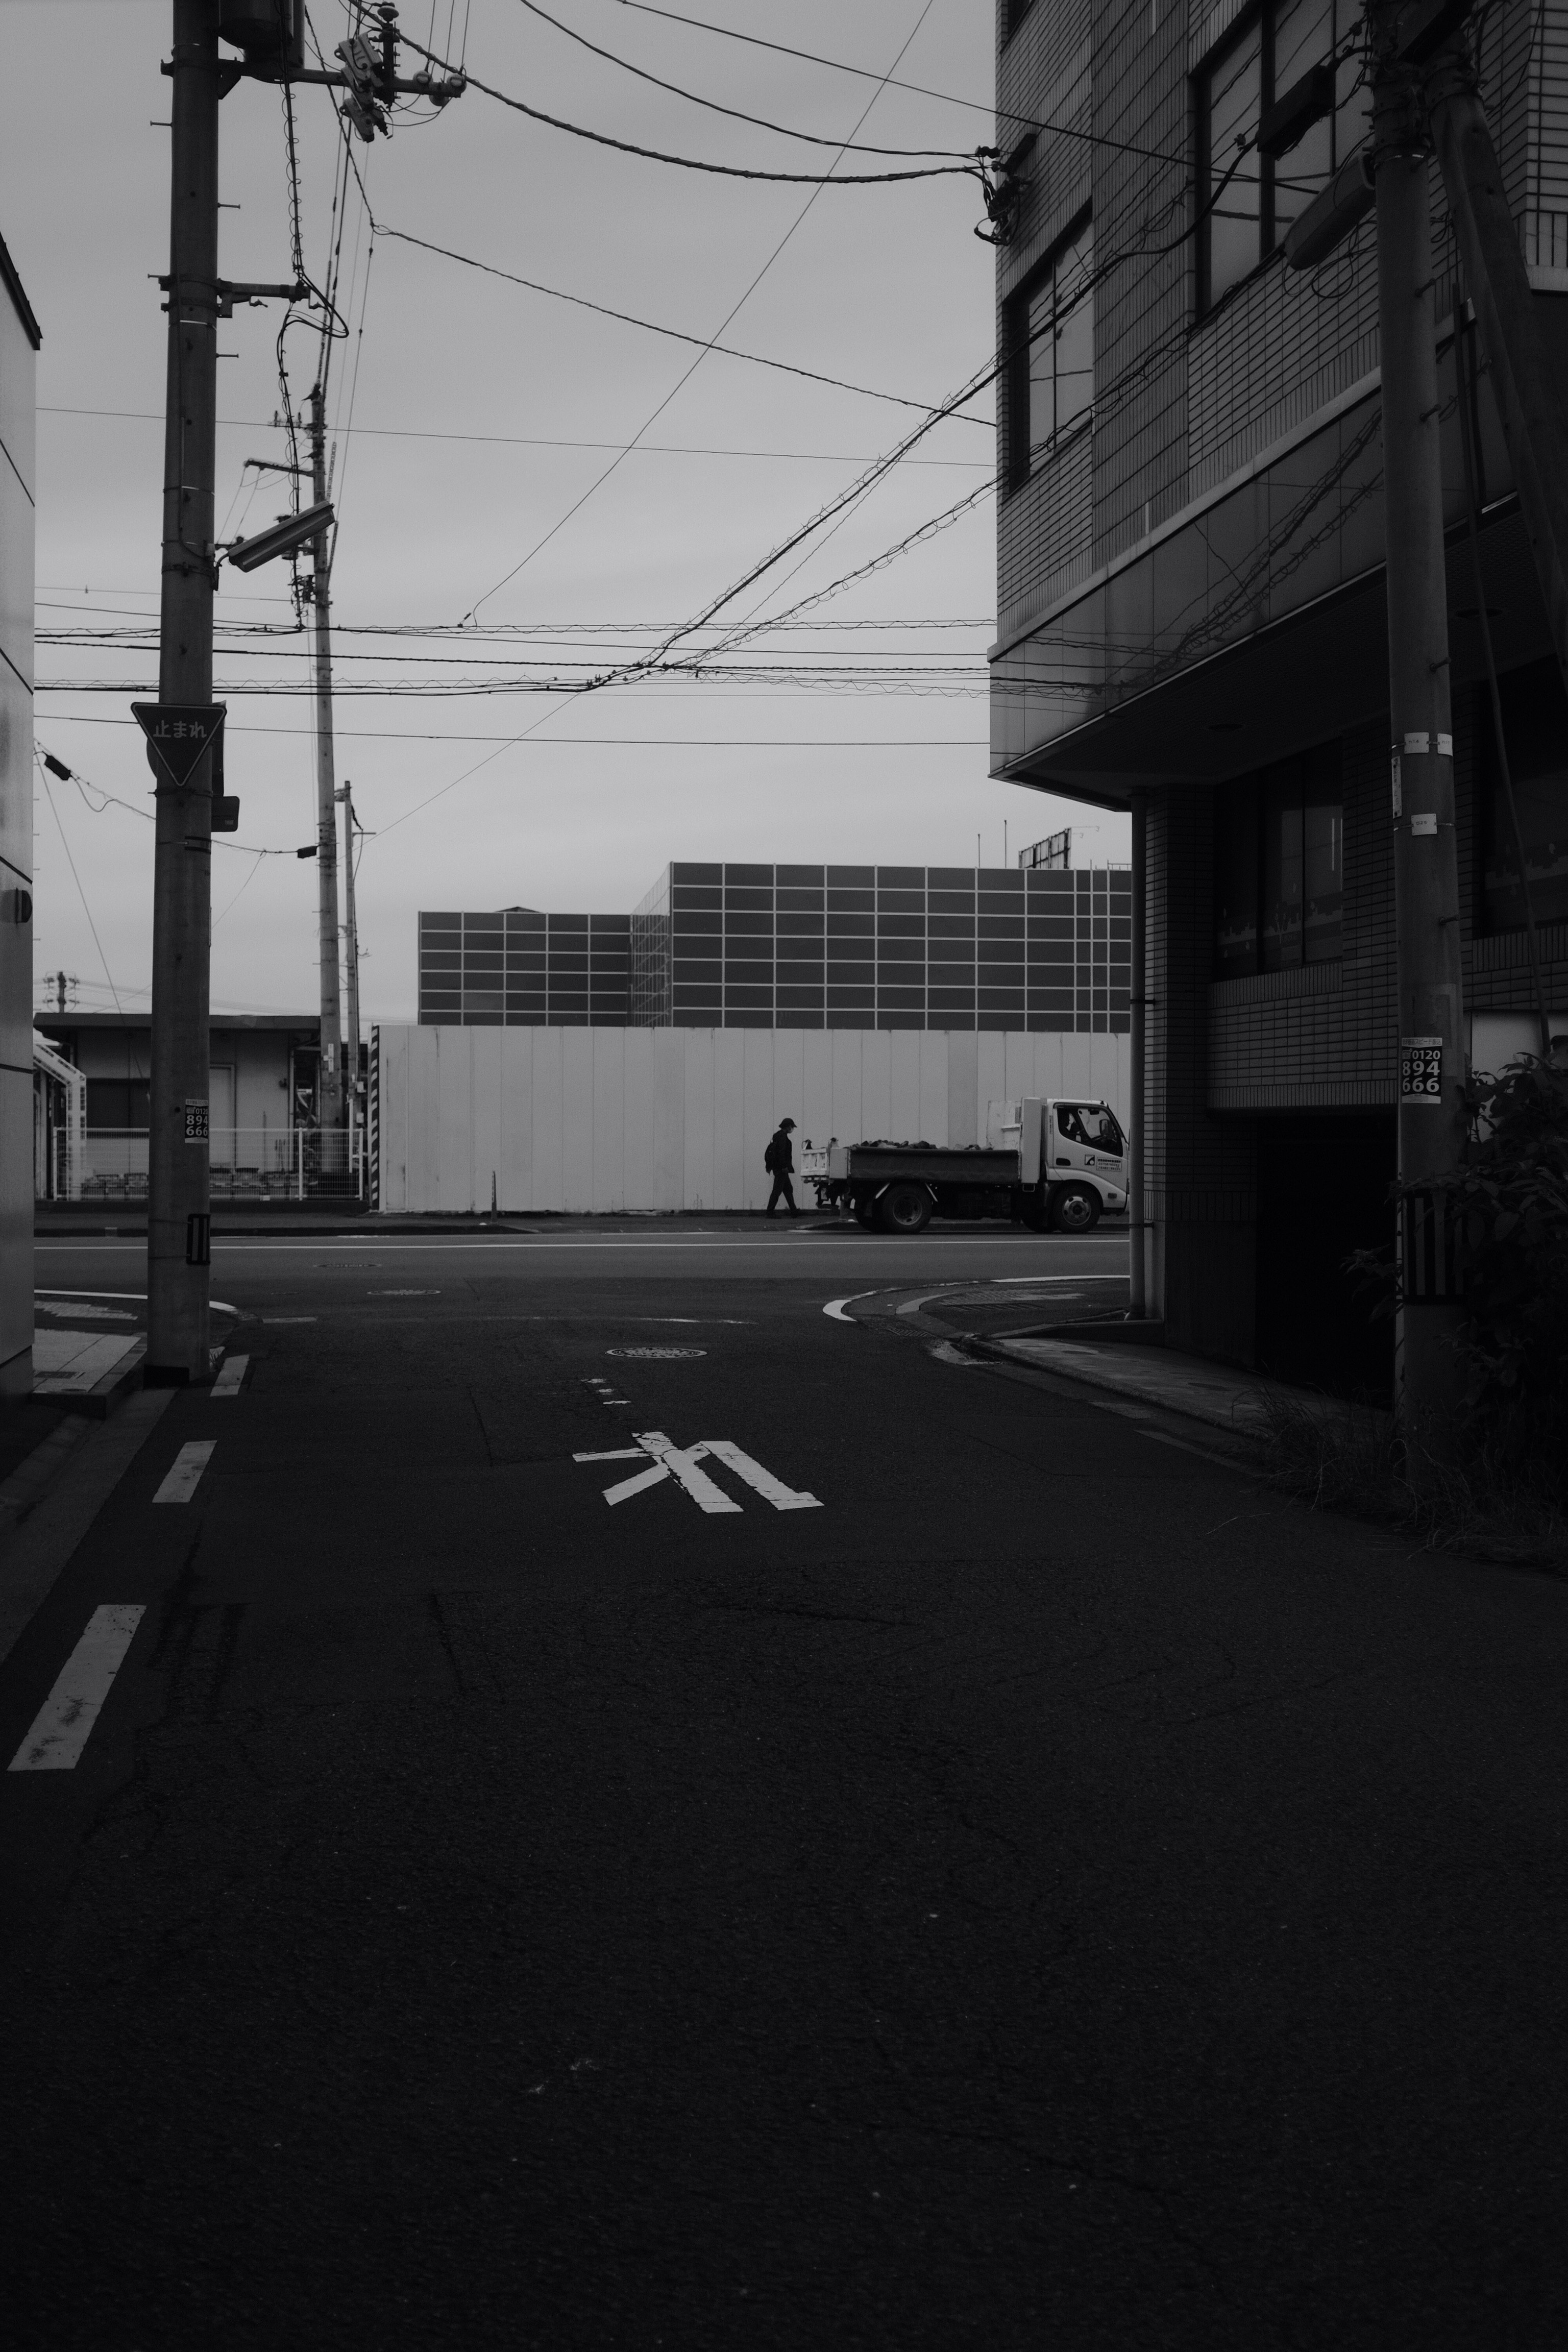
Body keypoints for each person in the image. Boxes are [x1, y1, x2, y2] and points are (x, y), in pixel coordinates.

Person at [764, 1116, 799, 1216]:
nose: (792, 1129)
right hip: (781, 1168)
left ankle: (794, 1211)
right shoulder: (783, 1137)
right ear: (788, 1127)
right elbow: (782, 1153)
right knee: (777, 1190)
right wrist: (784, 1167)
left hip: (777, 1167)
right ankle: (770, 1212)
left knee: (788, 1189)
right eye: (792, 1127)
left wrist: (770, 1166)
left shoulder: (777, 1136)